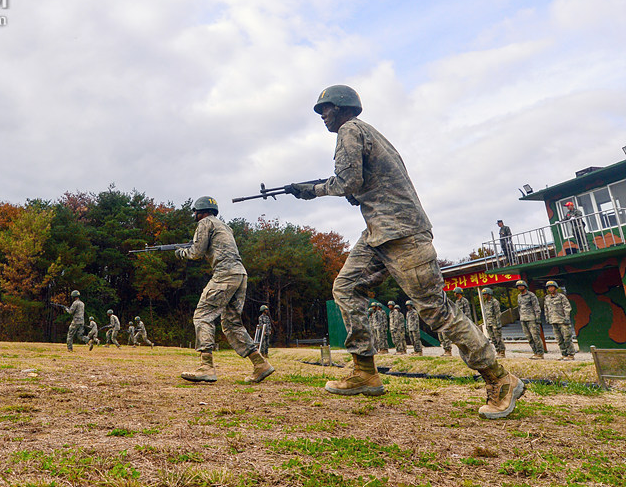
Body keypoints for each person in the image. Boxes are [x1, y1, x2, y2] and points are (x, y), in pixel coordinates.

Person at [285, 85, 523, 419]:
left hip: (402, 233)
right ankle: (364, 370)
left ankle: (500, 378)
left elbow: (348, 181)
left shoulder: (350, 130)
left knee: (435, 311)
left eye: (326, 108)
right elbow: (366, 183)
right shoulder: (369, 134)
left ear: (343, 108)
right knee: (345, 287)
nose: (322, 115)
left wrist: (311, 190)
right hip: (379, 233)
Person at [175, 196, 274, 383]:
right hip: (239, 274)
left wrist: (182, 252)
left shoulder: (205, 222)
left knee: (202, 315)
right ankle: (260, 364)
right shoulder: (224, 226)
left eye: (195, 212)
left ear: (200, 211)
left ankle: (206, 367)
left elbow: (196, 253)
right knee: (231, 323)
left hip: (225, 273)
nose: (195, 215)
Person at [544, 281, 575, 361]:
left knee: (567, 338)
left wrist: (567, 318)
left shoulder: (561, 297)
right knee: (559, 339)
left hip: (562, 321)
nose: (550, 289)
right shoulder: (547, 298)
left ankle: (570, 354)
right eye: (549, 287)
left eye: (552, 287)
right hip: (554, 321)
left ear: (555, 287)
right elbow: (546, 309)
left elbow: (567, 307)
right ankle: (564, 354)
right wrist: (547, 318)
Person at [515, 280, 544, 359]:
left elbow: (536, 307)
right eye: (518, 286)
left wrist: (537, 317)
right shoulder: (519, 296)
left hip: (532, 318)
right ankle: (535, 352)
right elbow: (519, 307)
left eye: (521, 285)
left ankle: (540, 353)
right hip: (523, 319)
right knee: (529, 337)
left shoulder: (531, 295)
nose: (519, 287)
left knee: (535, 336)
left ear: (525, 286)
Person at [480, 288, 506, 358]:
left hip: (495, 323)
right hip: (489, 323)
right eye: (484, 294)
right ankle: (498, 351)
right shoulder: (486, 303)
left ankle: (502, 352)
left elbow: (497, 313)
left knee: (498, 338)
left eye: (485, 294)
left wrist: (497, 323)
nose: (484, 296)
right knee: (493, 339)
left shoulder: (495, 302)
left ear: (489, 294)